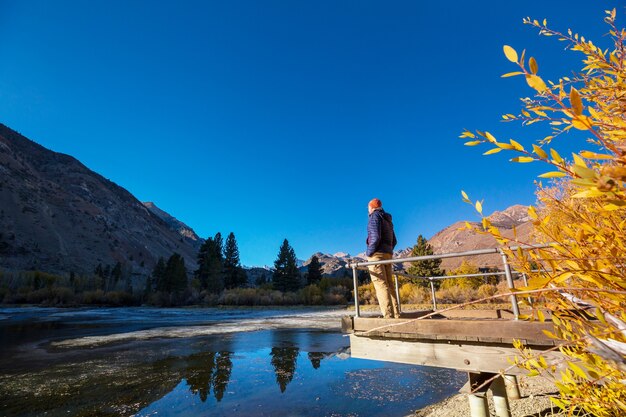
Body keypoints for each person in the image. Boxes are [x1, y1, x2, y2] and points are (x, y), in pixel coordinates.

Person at [365, 198, 400, 319]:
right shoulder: (387, 219)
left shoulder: (374, 217)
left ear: (372, 207)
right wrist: (388, 251)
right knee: (389, 284)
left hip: (377, 255)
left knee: (380, 284)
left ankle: (388, 316)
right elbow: (394, 240)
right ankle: (396, 314)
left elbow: (375, 237)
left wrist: (369, 253)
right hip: (388, 254)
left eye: (368, 207)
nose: (367, 210)